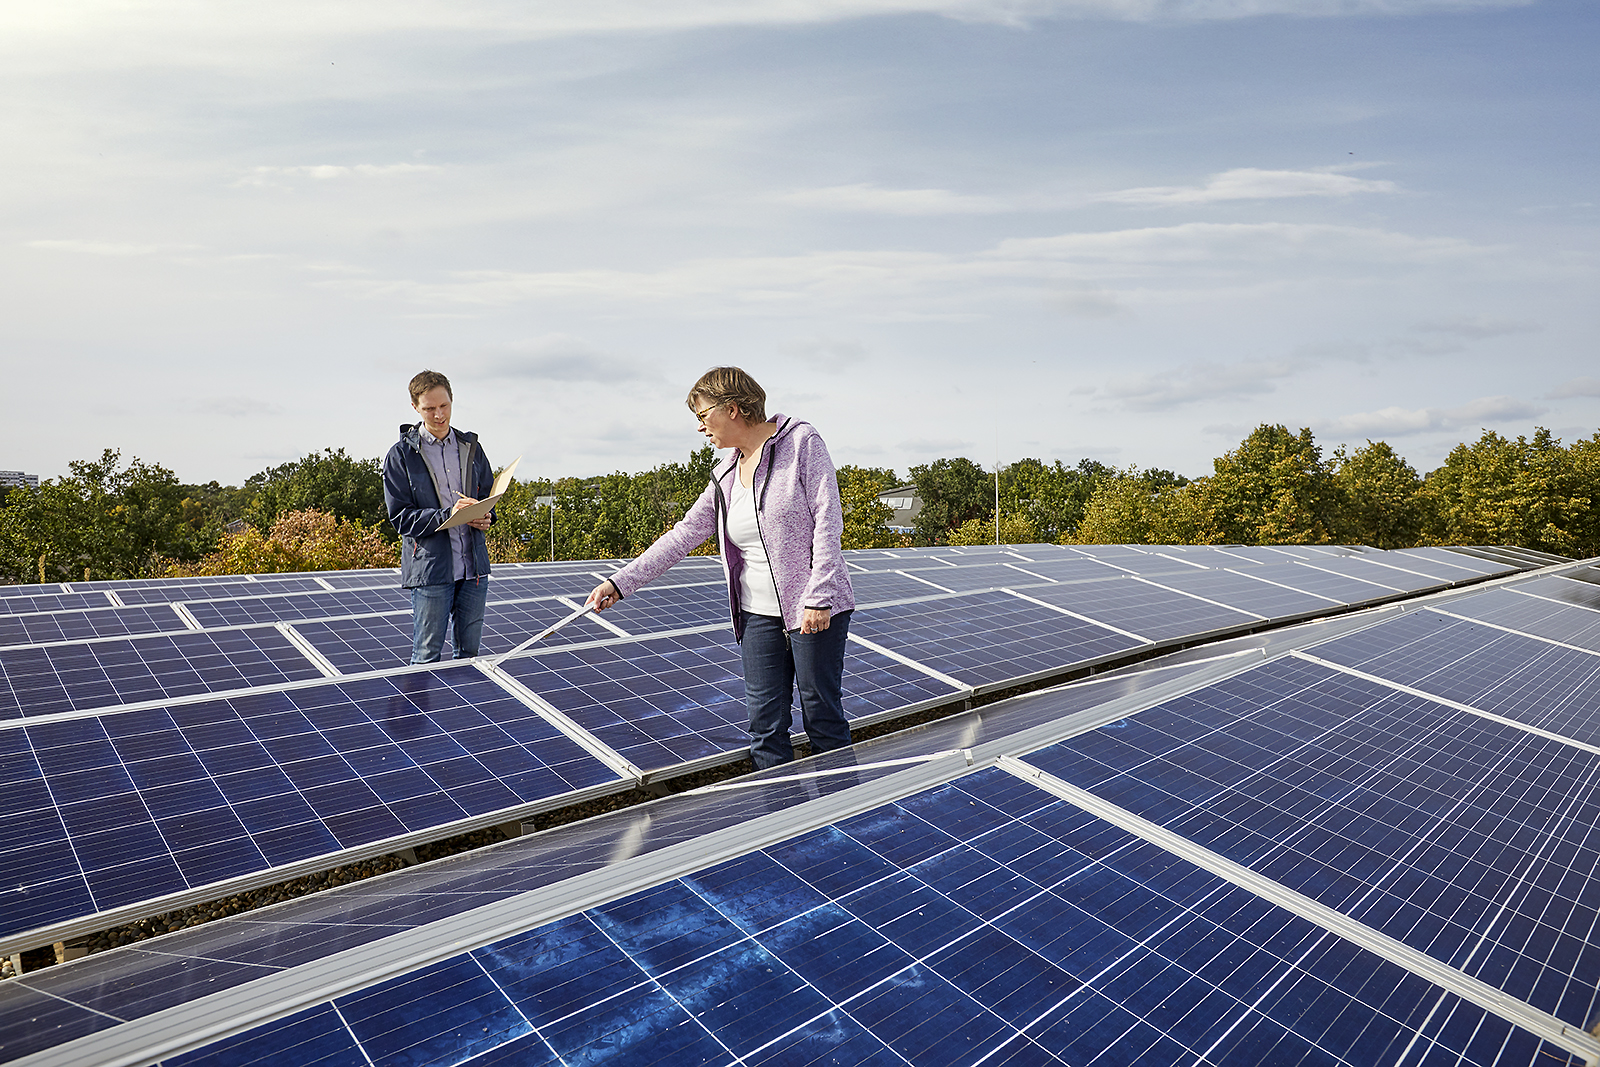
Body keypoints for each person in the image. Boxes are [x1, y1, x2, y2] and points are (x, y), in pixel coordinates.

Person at [586, 367, 856, 769]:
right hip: (756, 616)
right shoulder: (725, 475)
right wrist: (620, 582)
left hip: (812, 609)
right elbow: (682, 536)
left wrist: (819, 597)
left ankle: (848, 816)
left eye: (702, 415)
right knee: (765, 728)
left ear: (732, 408)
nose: (699, 428)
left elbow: (827, 522)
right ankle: (784, 823)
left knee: (821, 717)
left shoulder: (801, 442)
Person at [383, 370, 496, 664]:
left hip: (473, 570)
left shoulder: (471, 448)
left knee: (469, 658)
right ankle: (420, 713)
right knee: (426, 657)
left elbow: (487, 498)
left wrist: (487, 517)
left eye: (444, 406)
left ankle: (464, 712)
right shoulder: (401, 456)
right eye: (429, 408)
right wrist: (450, 515)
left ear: (451, 400)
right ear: (415, 408)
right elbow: (400, 518)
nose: (438, 415)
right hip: (432, 573)